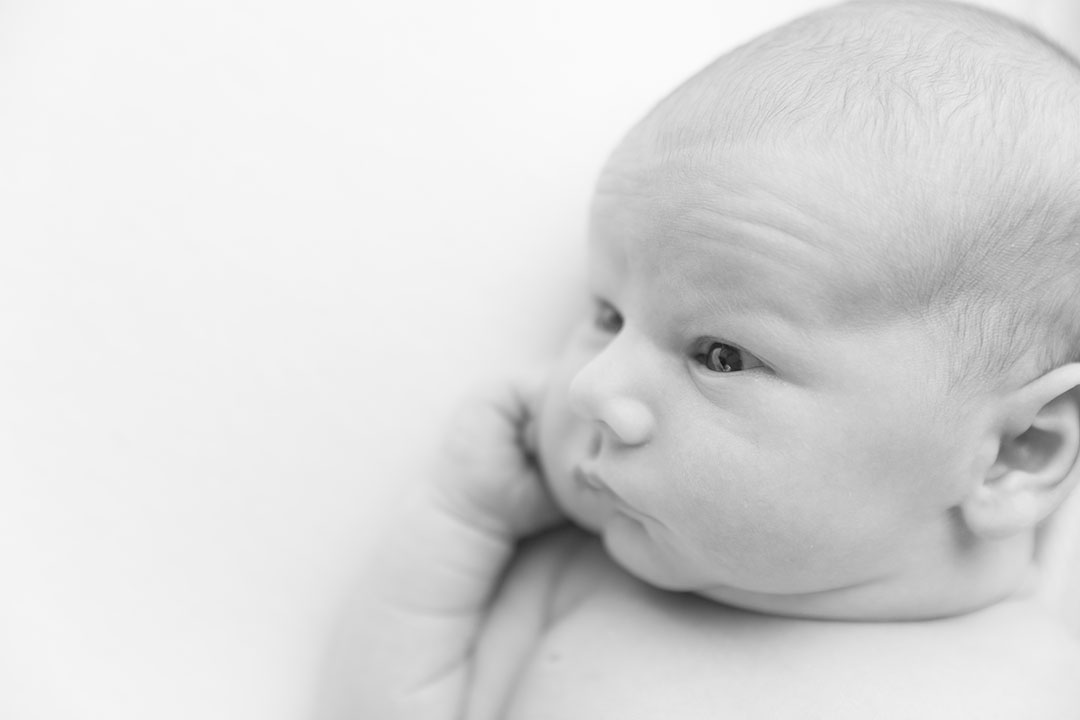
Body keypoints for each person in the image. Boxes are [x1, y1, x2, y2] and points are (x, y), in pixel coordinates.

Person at [326, 1, 1080, 717]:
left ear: (1017, 452)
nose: (593, 387)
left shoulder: (1038, 684)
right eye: (607, 316)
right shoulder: (578, 587)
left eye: (720, 355)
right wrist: (460, 521)